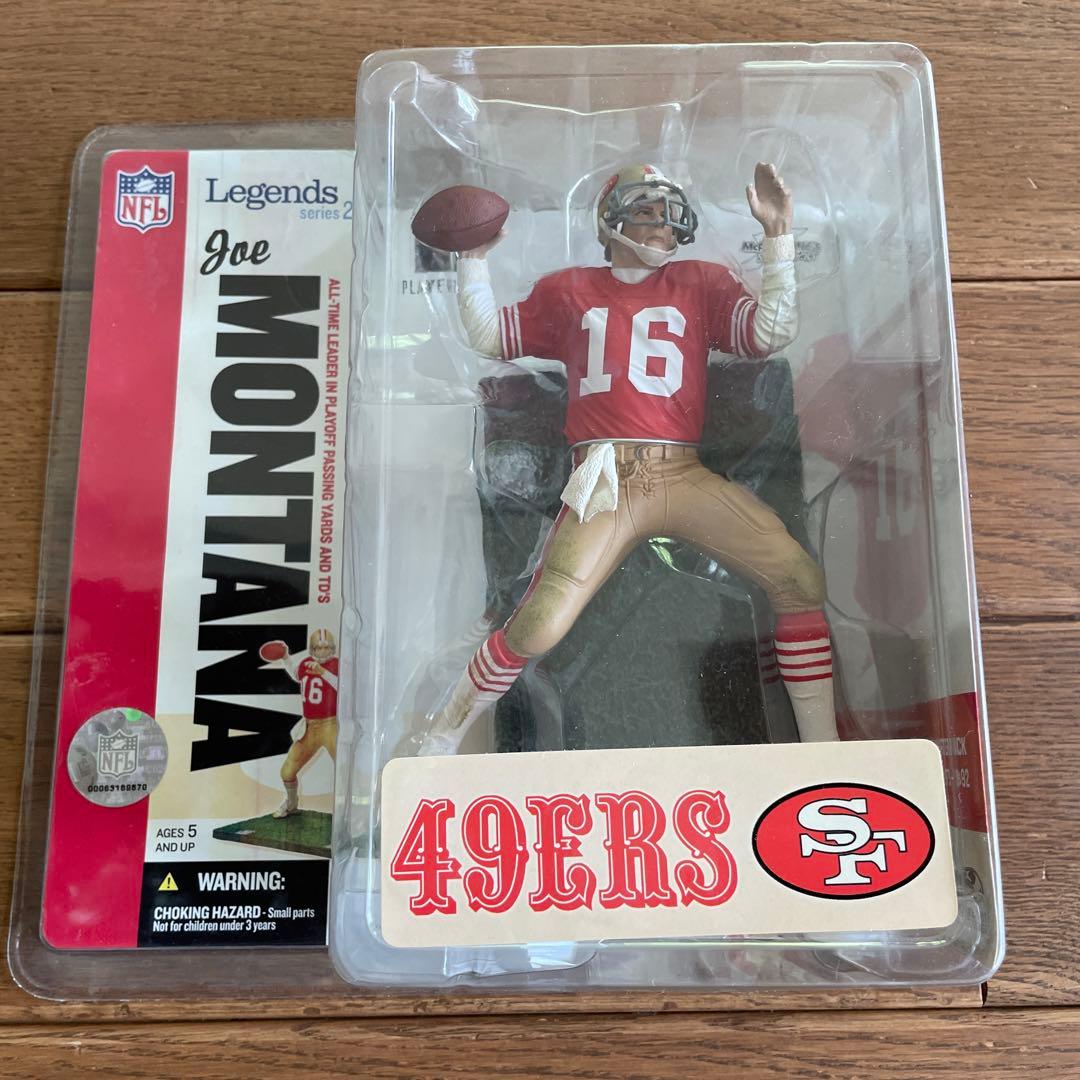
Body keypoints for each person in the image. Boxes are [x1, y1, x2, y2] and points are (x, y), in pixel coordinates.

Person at [420, 163, 834, 755]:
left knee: (799, 580)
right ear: (609, 221)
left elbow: (770, 333)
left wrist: (777, 236)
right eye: (645, 210)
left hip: (681, 471)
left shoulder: (701, 282)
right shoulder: (568, 290)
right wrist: (473, 259)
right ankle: (440, 737)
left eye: (667, 211)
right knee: (539, 624)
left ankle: (826, 746)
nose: (661, 223)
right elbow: (491, 337)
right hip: (605, 479)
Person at [264, 628, 339, 817]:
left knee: (345, 769)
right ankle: (291, 803)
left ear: (332, 648)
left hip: (331, 725)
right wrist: (286, 657)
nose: (322, 651)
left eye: (326, 647)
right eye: (318, 647)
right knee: (287, 771)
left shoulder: (338, 665)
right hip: (309, 727)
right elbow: (296, 673)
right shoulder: (306, 663)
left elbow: (345, 688)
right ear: (312, 648)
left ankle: (351, 808)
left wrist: (323, 673)